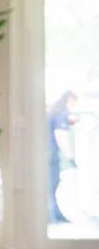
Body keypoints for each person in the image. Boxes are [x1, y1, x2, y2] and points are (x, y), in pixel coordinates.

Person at [48, 90, 79, 223]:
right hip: (51, 155)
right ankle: (53, 216)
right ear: (69, 100)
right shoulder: (62, 113)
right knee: (52, 185)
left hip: (48, 153)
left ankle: (54, 215)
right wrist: (71, 157)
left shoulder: (55, 111)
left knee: (51, 186)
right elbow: (61, 136)